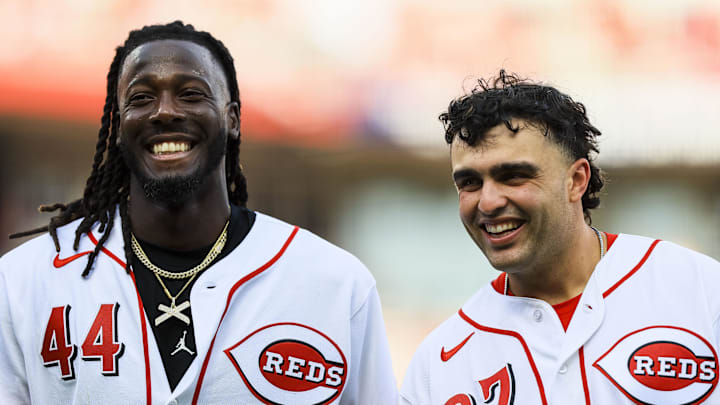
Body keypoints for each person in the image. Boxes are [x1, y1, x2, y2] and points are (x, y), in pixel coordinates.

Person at [0, 21, 397, 405]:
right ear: (119, 126)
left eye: (191, 94)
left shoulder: (337, 285)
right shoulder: (24, 282)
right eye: (141, 98)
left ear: (233, 118)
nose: (164, 111)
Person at [401, 71, 720, 405]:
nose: (488, 202)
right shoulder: (439, 364)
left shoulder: (698, 290)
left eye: (513, 176)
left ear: (576, 180)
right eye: (469, 183)